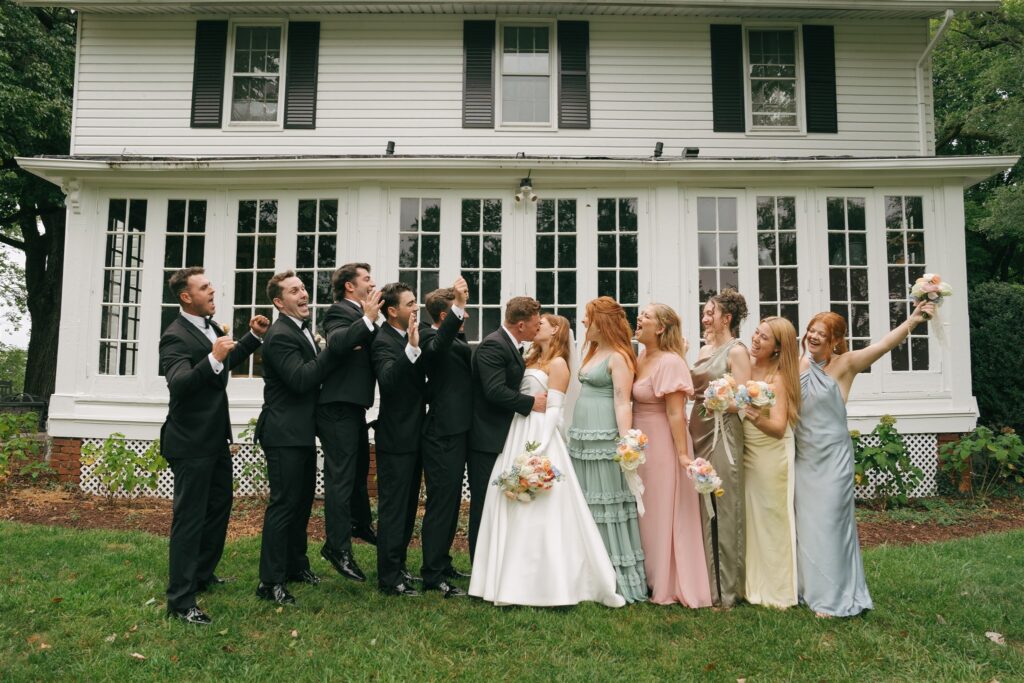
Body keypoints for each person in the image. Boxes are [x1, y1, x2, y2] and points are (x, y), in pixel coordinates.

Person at [469, 314, 624, 607]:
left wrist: (537, 450)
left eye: (543, 322)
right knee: (506, 502)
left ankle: (542, 583)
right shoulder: (527, 359)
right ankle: (500, 577)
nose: (536, 324)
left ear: (557, 331)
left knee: (539, 509)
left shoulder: (558, 364)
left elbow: (554, 410)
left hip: (539, 435)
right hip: (515, 432)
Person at [795, 300, 935, 618]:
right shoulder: (799, 365)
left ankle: (834, 597)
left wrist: (913, 320)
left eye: (821, 334)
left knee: (831, 523)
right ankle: (809, 589)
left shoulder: (846, 364)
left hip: (833, 460)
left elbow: (885, 344)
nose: (813, 337)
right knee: (809, 525)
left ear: (834, 341)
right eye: (810, 331)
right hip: (804, 458)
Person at [159, 267, 268, 625]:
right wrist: (213, 358)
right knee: (190, 519)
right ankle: (180, 599)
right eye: (204, 287)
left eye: (210, 285)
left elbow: (224, 365)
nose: (212, 291)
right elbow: (181, 384)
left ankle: (202, 575)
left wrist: (251, 337)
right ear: (186, 296)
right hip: (189, 441)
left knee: (219, 507)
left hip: (215, 438)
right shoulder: (174, 336)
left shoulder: (209, 327)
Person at [255, 271, 338, 605]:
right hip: (283, 432)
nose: (303, 294)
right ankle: (269, 581)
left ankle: (295, 565)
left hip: (302, 431)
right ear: (279, 302)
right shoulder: (279, 335)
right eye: (294, 291)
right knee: (284, 504)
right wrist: (333, 351)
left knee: (302, 503)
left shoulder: (298, 330)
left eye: (303, 288)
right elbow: (301, 380)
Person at [632, 303, 712, 608]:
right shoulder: (641, 356)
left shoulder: (670, 362)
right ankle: (648, 576)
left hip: (665, 444)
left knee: (662, 511)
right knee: (645, 513)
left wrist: (682, 455)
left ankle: (665, 581)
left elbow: (677, 413)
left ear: (661, 328)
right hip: (640, 443)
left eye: (647, 316)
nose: (639, 319)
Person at [568, 296, 647, 604]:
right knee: (587, 503)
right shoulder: (593, 351)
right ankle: (588, 574)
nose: (584, 322)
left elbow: (622, 400)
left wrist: (625, 442)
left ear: (602, 321)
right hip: (583, 435)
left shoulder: (619, 357)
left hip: (604, 437)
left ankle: (613, 576)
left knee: (607, 504)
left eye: (588, 318)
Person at [317, 263, 382, 584]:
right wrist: (366, 320)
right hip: (336, 408)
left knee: (357, 474)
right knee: (340, 479)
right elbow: (340, 343)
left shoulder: (364, 316)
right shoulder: (338, 313)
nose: (372, 284)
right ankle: (337, 548)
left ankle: (359, 525)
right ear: (349, 287)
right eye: (366, 279)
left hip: (355, 407)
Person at [467, 296, 547, 561]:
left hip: (502, 436)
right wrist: (530, 402)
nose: (539, 326)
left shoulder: (511, 345)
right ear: (521, 324)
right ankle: (480, 563)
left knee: (495, 502)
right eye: (536, 322)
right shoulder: (494, 345)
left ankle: (493, 561)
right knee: (483, 504)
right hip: (485, 438)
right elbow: (494, 390)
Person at [690, 290, 751, 608]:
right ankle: (707, 587)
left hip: (722, 433)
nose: (704, 317)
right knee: (703, 508)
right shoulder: (702, 349)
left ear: (727, 318)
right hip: (697, 431)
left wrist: (717, 401)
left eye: (709, 312)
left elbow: (742, 400)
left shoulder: (738, 351)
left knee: (725, 508)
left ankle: (728, 590)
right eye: (704, 312)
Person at [371, 282, 427, 597]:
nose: (416, 308)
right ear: (393, 311)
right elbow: (390, 382)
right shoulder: (383, 342)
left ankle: (400, 567)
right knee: (393, 510)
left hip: (414, 435)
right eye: (410, 304)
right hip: (395, 439)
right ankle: (389, 578)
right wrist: (411, 349)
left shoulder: (406, 338)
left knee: (407, 509)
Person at [419, 281, 473, 596]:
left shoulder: (453, 336)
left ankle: (442, 561)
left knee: (452, 503)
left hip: (458, 430)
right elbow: (439, 348)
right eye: (458, 313)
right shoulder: (429, 336)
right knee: (440, 504)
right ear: (444, 313)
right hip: (441, 433)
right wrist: (458, 306)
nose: (464, 317)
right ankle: (432, 574)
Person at [742, 316, 801, 609]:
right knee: (751, 519)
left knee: (773, 520)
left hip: (771, 454)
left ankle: (778, 590)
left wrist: (750, 411)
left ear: (778, 348)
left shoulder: (778, 377)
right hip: (747, 451)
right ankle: (751, 583)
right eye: (756, 332)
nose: (756, 339)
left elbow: (778, 427)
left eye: (764, 338)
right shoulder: (746, 367)